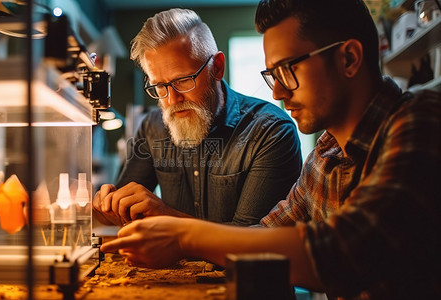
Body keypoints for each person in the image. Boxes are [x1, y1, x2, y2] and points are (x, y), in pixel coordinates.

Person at [101, 0, 441, 299]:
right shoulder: (324, 155)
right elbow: (263, 236)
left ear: (349, 58)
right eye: (271, 74)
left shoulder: (422, 122)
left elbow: (344, 252)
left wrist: (182, 236)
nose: (277, 91)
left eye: (287, 70)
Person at [93, 8, 302, 227]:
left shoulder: (271, 131)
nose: (172, 100)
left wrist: (165, 215)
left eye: (183, 80)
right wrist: (104, 205)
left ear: (217, 68)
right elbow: (120, 214)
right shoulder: (151, 127)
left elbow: (252, 242)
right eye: (160, 86)